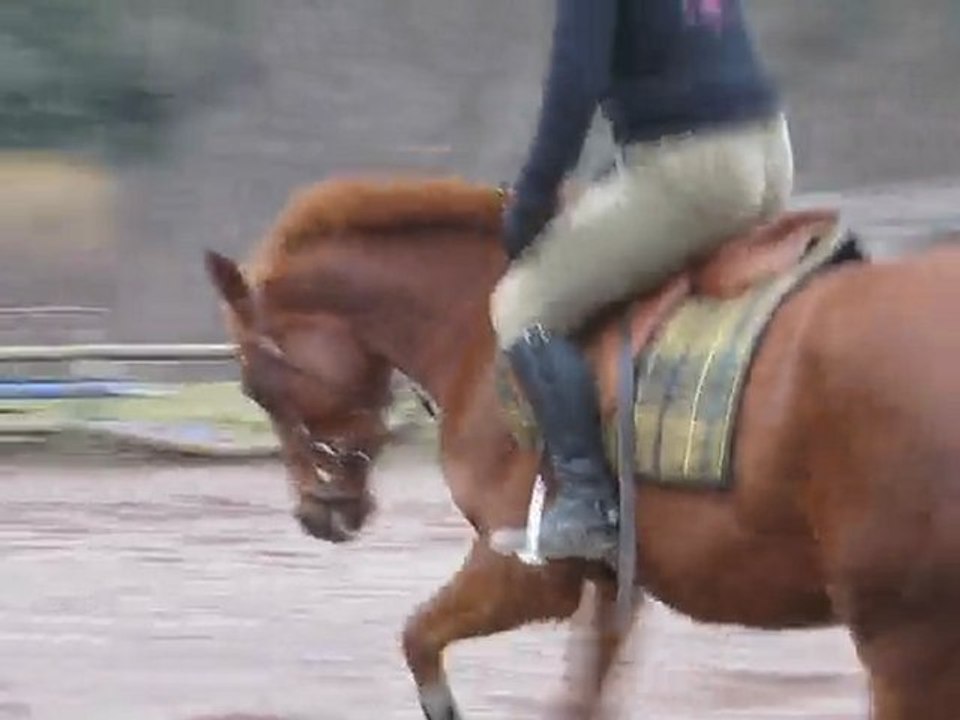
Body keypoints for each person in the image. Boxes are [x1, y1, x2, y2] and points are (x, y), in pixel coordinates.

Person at [491, 0, 793, 563]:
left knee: (520, 303)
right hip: (769, 151)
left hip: (696, 168)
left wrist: (530, 206)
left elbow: (574, 83)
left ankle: (586, 505)